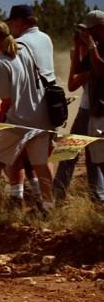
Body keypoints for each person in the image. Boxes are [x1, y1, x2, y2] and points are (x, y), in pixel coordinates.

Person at [0, 20, 54, 211]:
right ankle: (48, 206)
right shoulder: (23, 54)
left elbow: (6, 98)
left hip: (18, 120)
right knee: (41, 164)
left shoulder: (2, 64)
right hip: (40, 116)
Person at [53, 19, 104, 201]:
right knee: (77, 153)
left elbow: (73, 83)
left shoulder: (95, 57)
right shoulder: (89, 57)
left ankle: (95, 195)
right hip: (86, 110)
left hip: (91, 111)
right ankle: (95, 196)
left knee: (86, 155)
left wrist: (82, 52)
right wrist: (76, 53)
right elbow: (72, 82)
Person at [76, 11, 104, 185]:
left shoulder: (97, 47)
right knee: (99, 159)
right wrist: (79, 47)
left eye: (91, 30)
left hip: (103, 110)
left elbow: (101, 69)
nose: (89, 34)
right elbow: (79, 68)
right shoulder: (97, 46)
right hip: (96, 109)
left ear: (101, 27)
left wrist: (92, 46)